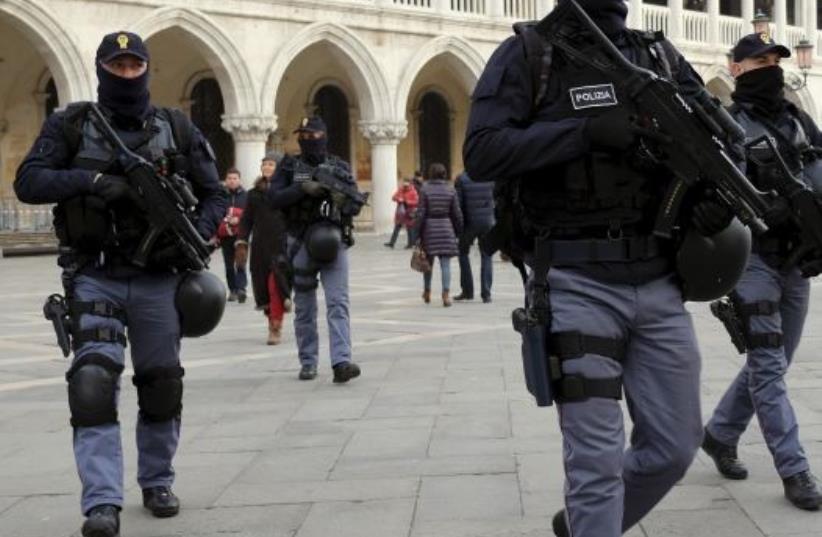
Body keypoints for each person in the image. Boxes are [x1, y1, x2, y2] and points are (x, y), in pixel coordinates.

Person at [463, 1, 743, 536]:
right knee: (595, 465)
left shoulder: (656, 54)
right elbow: (482, 150)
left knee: (674, 447)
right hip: (574, 280)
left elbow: (719, 139)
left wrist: (712, 198)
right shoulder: (530, 53)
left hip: (659, 281)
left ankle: (585, 526)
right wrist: (584, 133)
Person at [14, 32, 225, 537]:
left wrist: (195, 231)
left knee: (161, 386)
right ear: (102, 69)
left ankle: (157, 481)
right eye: (117, 65)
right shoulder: (71, 124)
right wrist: (91, 183)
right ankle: (102, 502)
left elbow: (214, 193)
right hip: (96, 275)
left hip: (158, 279)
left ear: (146, 69)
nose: (126, 73)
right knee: (92, 384)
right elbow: (29, 181)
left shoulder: (175, 127)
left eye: (134, 65)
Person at [701, 33, 822, 511]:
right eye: (759, 60)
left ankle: (719, 433)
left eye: (775, 59)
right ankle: (795, 470)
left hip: (800, 260)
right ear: (735, 68)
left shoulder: (798, 120)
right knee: (770, 368)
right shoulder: (727, 125)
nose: (770, 67)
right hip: (753, 261)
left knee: (774, 362)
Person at [267, 117, 363, 382]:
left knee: (338, 303)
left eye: (313, 135)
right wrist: (302, 189)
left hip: (334, 241)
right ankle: (308, 361)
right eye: (303, 136)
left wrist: (339, 198)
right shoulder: (289, 166)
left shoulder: (338, 167)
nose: (308, 140)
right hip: (300, 241)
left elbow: (354, 203)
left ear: (324, 135)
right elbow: (274, 199)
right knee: (305, 307)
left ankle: (341, 362)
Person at [235, 152, 290, 345]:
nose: (267, 167)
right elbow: (246, 220)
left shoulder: (287, 191)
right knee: (264, 289)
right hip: (260, 246)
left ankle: (275, 327)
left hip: (282, 245)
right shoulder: (253, 194)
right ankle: (271, 321)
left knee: (277, 286)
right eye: (265, 164)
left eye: (271, 164)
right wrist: (242, 241)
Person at [416, 163, 463, 307]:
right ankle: (446, 295)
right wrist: (458, 231)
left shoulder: (424, 189)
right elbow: (456, 213)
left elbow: (421, 213)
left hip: (429, 230)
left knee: (427, 263)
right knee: (446, 265)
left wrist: (417, 233)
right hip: (446, 228)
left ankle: (427, 292)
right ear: (444, 174)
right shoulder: (451, 190)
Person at [454, 171, 495, 303]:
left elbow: (458, 204)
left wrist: (458, 226)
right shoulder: (490, 177)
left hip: (469, 223)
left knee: (462, 253)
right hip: (488, 222)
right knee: (487, 255)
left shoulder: (462, 179)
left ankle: (468, 290)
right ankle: (486, 293)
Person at [216, 168, 248, 303]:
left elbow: (250, 214)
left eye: (235, 178)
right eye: (229, 178)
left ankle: (241, 289)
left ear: (239, 180)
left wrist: (238, 219)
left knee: (240, 262)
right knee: (229, 264)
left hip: (241, 234)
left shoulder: (246, 196)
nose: (232, 181)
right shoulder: (221, 195)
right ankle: (233, 290)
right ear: (226, 180)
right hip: (225, 235)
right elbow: (216, 213)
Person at [384, 176, 419, 249]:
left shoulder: (413, 191)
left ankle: (410, 244)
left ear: (410, 184)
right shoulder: (401, 189)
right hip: (400, 212)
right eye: (404, 183)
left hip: (409, 212)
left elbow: (416, 202)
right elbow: (393, 197)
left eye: (406, 183)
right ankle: (392, 243)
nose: (405, 185)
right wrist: (398, 199)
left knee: (409, 228)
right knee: (397, 227)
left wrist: (406, 201)